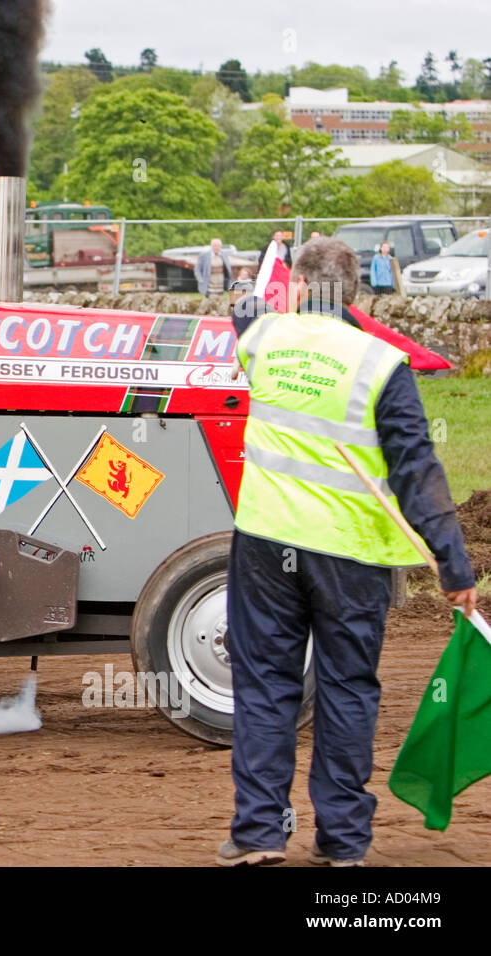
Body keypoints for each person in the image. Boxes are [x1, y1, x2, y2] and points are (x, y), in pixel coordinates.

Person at [218, 238, 477, 867]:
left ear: (300, 288)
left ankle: (258, 834)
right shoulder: (382, 365)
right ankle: (343, 844)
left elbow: (243, 309)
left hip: (266, 544)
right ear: (357, 295)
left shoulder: (261, 339)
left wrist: (260, 282)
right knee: (347, 690)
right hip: (351, 557)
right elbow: (418, 469)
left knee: (267, 688)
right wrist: (453, 564)